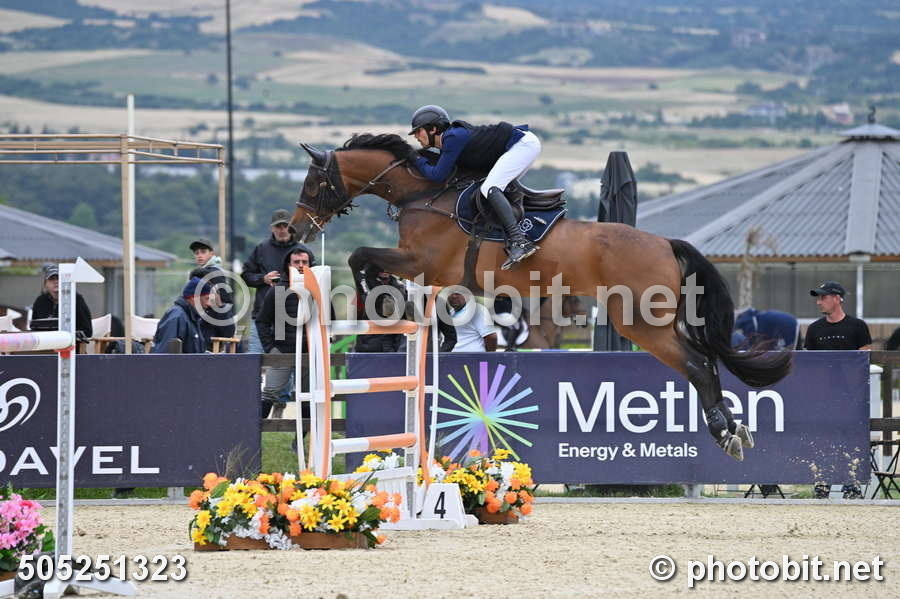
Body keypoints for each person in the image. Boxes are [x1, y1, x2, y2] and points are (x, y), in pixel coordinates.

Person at [408, 104, 540, 270]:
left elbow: (437, 175)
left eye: (418, 131)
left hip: (522, 145)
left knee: (490, 188)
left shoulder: (452, 137)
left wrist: (415, 158)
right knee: (492, 190)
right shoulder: (450, 141)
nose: (416, 136)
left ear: (433, 129)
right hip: (520, 145)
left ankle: (520, 241)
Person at [804, 280, 872, 499]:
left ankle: (852, 483)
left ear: (837, 298)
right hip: (822, 396)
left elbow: (864, 360)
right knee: (822, 437)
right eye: (818, 298)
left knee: (850, 437)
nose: (819, 302)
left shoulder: (857, 326)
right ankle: (822, 482)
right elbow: (809, 364)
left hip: (851, 395)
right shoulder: (814, 329)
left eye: (823, 297)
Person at [255, 244, 317, 419]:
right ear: (288, 265)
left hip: (309, 352)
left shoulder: (318, 290)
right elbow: (262, 321)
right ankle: (254, 434)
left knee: (308, 396)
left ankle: (303, 436)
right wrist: (270, 348)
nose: (300, 265)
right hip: (282, 350)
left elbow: (329, 320)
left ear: (310, 264)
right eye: (296, 262)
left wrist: (323, 344)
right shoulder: (276, 291)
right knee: (269, 392)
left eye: (304, 262)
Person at [188, 238, 236, 349]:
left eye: (203, 252)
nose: (199, 255)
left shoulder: (215, 273)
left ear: (212, 254)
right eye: (196, 253)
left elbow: (225, 301)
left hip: (212, 328)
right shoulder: (201, 273)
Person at [151, 277, 212, 354]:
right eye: (206, 299)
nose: (208, 304)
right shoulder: (177, 318)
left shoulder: (191, 318)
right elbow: (165, 355)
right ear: (194, 298)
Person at [31, 263, 93, 337]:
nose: (56, 281)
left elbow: (88, 331)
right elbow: (34, 328)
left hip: (71, 342)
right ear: (45, 284)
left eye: (59, 278)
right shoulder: (40, 301)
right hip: (46, 342)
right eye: (51, 279)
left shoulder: (76, 299)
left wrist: (71, 336)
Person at [734, 308, 800, 350]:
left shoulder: (753, 322)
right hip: (789, 323)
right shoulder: (758, 318)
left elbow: (755, 341)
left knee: (790, 353)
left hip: (788, 326)